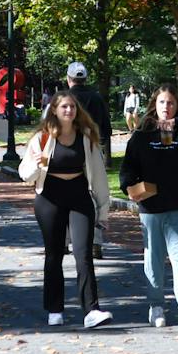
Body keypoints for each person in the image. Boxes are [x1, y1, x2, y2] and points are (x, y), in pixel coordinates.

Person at [120, 84, 178, 331]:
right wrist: (129, 187)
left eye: (171, 103)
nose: (166, 107)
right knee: (154, 258)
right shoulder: (142, 135)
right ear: (154, 105)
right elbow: (128, 168)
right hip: (151, 207)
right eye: (162, 102)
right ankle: (156, 306)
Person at [18, 89, 113, 329]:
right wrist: (38, 165)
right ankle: (55, 308)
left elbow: (99, 175)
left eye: (72, 107)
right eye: (64, 107)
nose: (69, 111)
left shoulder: (86, 136)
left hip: (79, 196)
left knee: (83, 254)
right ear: (54, 110)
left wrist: (103, 210)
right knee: (54, 254)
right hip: (49, 198)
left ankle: (91, 310)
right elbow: (25, 175)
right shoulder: (42, 137)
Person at [66, 61, 112, 257]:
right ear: (85, 79)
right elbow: (107, 130)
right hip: (93, 150)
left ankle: (65, 239)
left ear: (69, 79)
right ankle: (95, 240)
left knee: (64, 195)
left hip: (68, 152)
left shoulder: (64, 100)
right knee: (95, 195)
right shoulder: (96, 98)